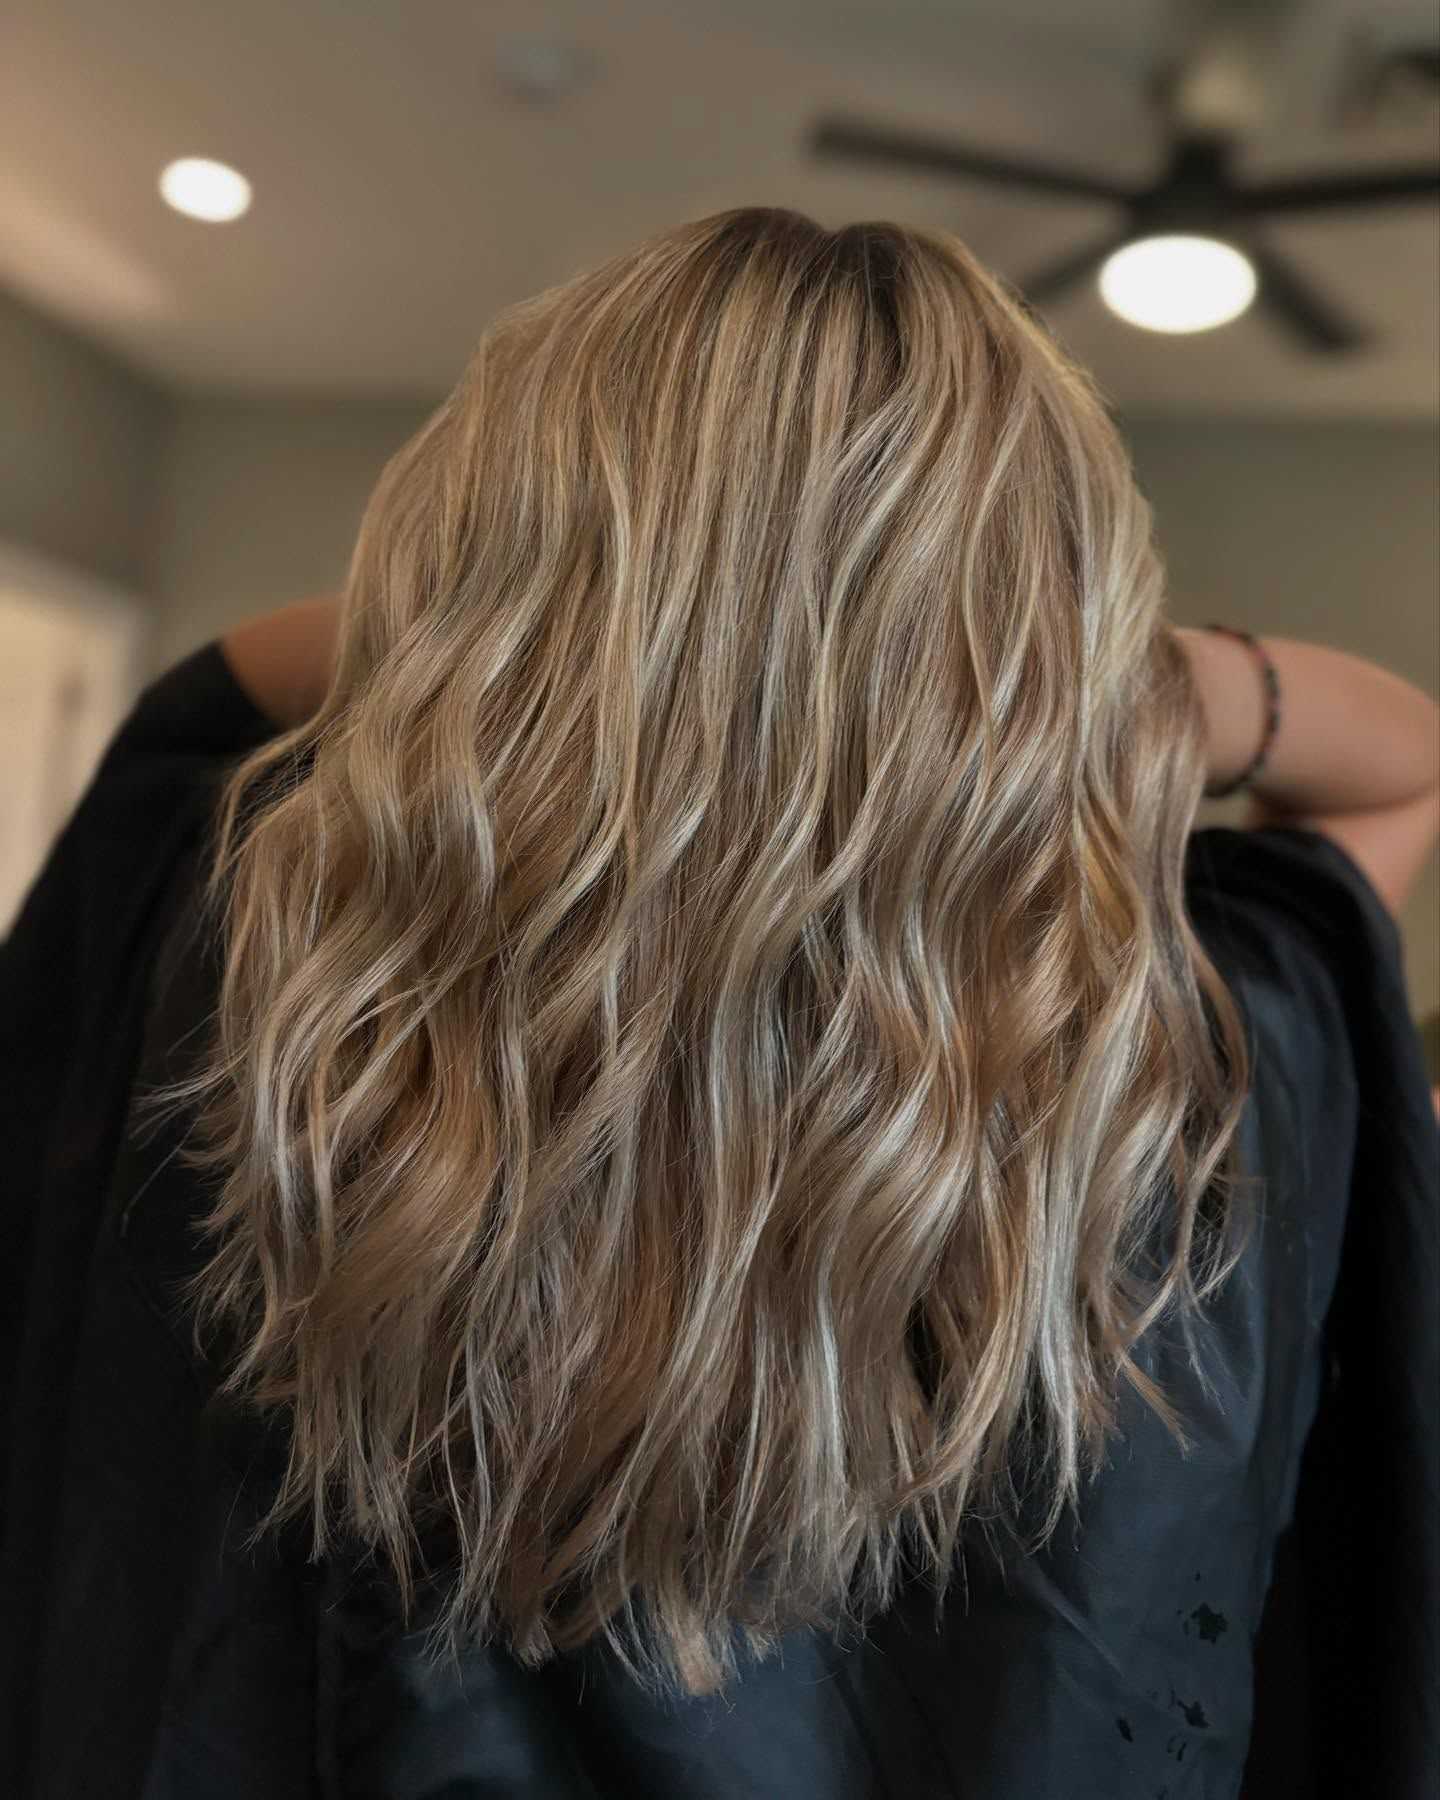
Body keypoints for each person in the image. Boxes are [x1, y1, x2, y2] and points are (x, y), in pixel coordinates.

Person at [1, 208, 1435, 1800]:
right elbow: (1402, 761)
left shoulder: (275, 1000)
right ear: (1052, 619)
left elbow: (200, 697)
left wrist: (552, 632)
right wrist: (1045, 682)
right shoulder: (1194, 1062)